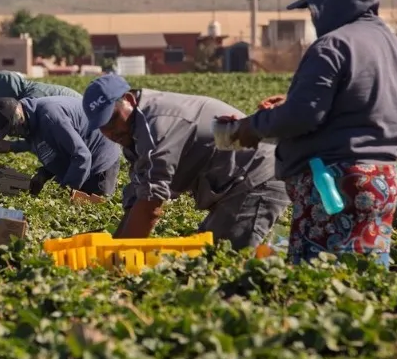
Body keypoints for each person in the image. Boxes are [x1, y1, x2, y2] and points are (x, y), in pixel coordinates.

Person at [229, 0, 397, 265]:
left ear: (327, 4)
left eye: (313, 8)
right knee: (365, 279)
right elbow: (363, 107)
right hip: (382, 182)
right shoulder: (393, 46)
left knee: (317, 282)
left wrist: (254, 126)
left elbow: (303, 115)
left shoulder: (333, 45)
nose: (314, 17)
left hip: (335, 185)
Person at [82, 73, 290, 250]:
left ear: (129, 99)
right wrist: (115, 245)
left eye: (112, 119)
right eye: (102, 126)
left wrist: (120, 255)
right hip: (235, 185)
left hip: (257, 177)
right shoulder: (131, 130)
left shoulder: (156, 124)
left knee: (223, 255)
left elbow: (150, 202)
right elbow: (138, 192)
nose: (109, 132)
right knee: (211, 252)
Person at [0, 95, 122, 198]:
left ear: (18, 118)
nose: (14, 134)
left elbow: (82, 156)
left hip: (100, 160)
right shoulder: (30, 121)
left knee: (93, 209)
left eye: (12, 130)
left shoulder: (50, 117)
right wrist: (43, 174)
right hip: (80, 161)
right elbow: (59, 151)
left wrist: (63, 193)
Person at [0, 70, 81, 108]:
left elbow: (40, 138)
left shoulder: (33, 100)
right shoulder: (29, 91)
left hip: (88, 129)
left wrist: (12, 146)